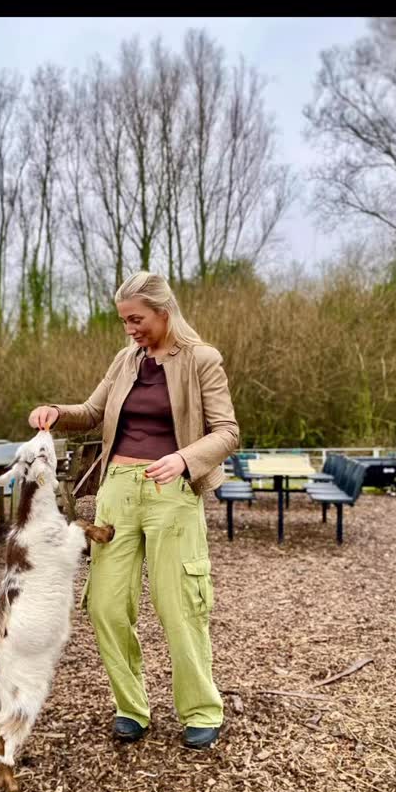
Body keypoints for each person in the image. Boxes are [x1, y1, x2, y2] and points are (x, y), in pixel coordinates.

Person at [28, 271, 239, 749]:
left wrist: (184, 458)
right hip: (117, 492)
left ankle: (201, 709)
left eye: (137, 319)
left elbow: (227, 432)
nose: (130, 329)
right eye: (124, 320)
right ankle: (131, 705)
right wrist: (57, 413)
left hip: (172, 491)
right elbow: (92, 411)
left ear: (165, 312)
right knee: (104, 604)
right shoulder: (125, 361)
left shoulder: (202, 360)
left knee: (179, 605)